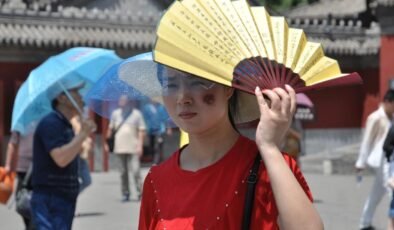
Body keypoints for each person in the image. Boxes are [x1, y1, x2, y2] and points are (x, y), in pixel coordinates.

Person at [138, 67, 323, 229]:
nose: (182, 98)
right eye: (170, 86)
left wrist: (269, 147)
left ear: (228, 88)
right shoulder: (156, 181)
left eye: (197, 83)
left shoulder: (269, 169)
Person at [30, 82, 96, 230]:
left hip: (63, 196)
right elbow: (61, 159)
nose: (80, 97)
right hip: (51, 198)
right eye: (75, 92)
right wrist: (83, 134)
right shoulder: (51, 123)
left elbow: (72, 154)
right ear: (62, 98)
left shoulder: (64, 124)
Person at [355, 89, 394, 230]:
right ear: (388, 102)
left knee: (376, 193)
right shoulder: (375, 117)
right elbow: (367, 140)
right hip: (382, 160)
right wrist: (360, 162)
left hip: (389, 159)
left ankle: (365, 223)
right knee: (391, 190)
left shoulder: (391, 117)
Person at [106, 95, 146, 202]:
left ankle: (140, 192)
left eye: (123, 99)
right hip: (119, 147)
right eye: (120, 99)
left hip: (133, 146)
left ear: (129, 101)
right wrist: (107, 142)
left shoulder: (136, 114)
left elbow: (142, 131)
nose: (121, 101)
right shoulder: (115, 114)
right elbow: (110, 129)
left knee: (136, 170)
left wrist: (140, 145)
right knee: (123, 172)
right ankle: (125, 192)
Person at [4, 124, 36, 230]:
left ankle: (32, 225)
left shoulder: (21, 121)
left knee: (24, 200)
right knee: (25, 202)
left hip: (29, 168)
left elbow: (12, 144)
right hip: (30, 168)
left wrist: (8, 166)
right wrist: (8, 166)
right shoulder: (22, 121)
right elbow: (12, 144)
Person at [142, 98, 170, 164]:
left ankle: (157, 161)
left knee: (159, 145)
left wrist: (168, 128)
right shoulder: (146, 108)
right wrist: (145, 129)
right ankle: (154, 159)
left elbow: (165, 118)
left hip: (160, 129)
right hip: (151, 129)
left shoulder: (161, 107)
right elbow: (145, 119)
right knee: (152, 145)